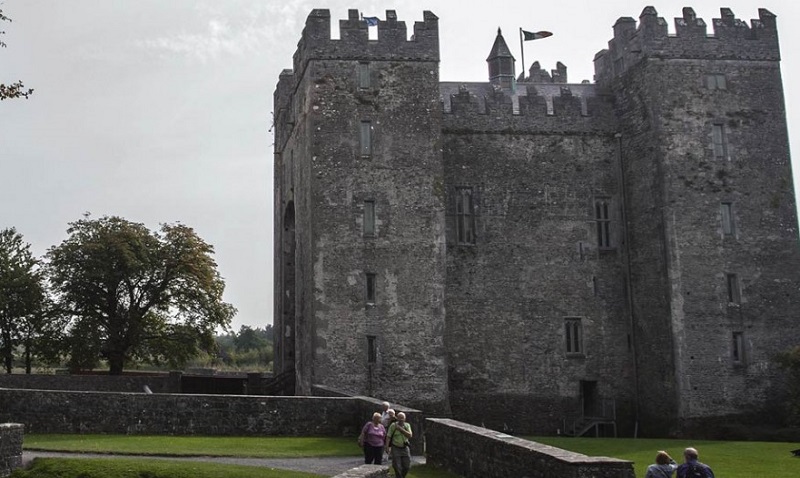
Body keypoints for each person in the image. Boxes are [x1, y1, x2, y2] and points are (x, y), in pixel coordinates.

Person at [385, 411, 413, 478]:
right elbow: (388, 437)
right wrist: (387, 447)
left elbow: (410, 435)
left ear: (405, 419)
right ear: (397, 418)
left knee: (407, 466)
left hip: (405, 447)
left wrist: (400, 429)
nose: (401, 420)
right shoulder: (393, 425)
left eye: (402, 418)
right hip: (396, 447)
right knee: (397, 466)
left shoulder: (407, 425)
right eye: (400, 418)